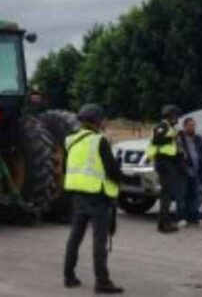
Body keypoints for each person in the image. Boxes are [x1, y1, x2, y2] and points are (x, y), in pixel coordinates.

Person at [62, 104, 124, 294]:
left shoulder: (70, 141)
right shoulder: (99, 141)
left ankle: (69, 276)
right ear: (97, 121)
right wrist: (119, 172)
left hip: (78, 195)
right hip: (98, 197)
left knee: (75, 237)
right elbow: (112, 171)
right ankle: (102, 281)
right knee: (99, 241)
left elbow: (67, 168)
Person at [147, 104, 183, 234]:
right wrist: (172, 136)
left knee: (167, 194)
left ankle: (164, 223)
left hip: (169, 162)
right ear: (170, 116)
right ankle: (164, 225)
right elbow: (157, 140)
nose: (177, 119)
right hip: (164, 162)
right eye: (176, 116)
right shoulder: (162, 126)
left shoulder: (170, 127)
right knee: (166, 195)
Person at [177, 117, 202, 227]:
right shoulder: (179, 138)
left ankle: (195, 217)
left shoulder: (198, 138)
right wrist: (183, 165)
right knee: (182, 196)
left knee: (195, 196)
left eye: (193, 125)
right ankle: (182, 218)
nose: (192, 127)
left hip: (196, 171)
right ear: (184, 126)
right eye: (189, 125)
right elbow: (178, 154)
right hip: (184, 172)